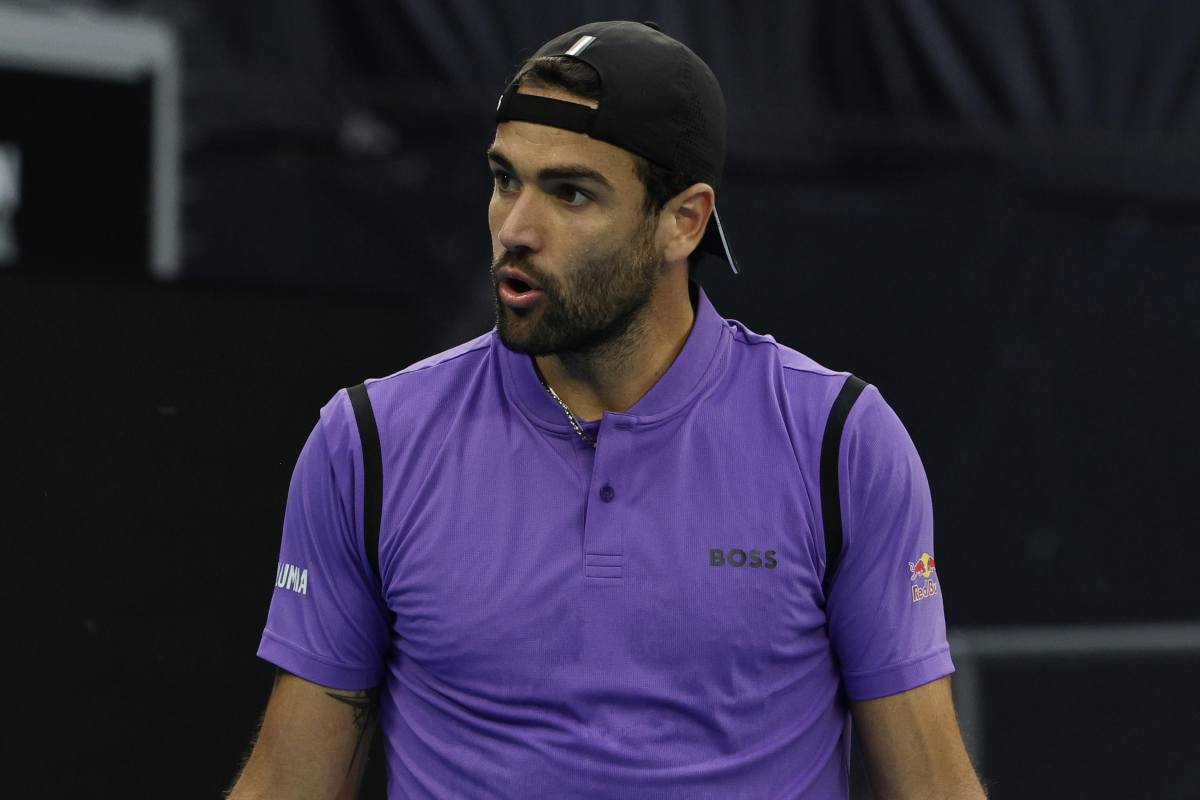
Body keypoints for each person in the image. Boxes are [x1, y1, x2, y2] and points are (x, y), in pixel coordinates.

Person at [228, 20, 986, 800]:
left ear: (683, 221)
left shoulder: (839, 443)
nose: (516, 230)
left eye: (571, 193)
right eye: (504, 179)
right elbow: (290, 785)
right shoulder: (368, 443)